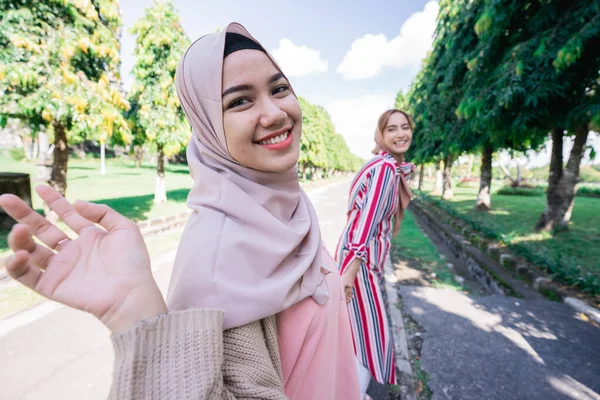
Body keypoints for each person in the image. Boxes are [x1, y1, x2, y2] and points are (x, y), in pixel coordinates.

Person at [0, 23, 360, 400]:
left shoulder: (287, 206)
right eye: (239, 101)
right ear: (207, 129)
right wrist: (134, 311)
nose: (273, 113)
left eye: (279, 89)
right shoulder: (222, 258)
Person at [335, 109, 415, 399]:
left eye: (405, 127)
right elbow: (367, 220)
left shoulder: (384, 165)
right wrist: (353, 267)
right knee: (371, 336)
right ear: (381, 135)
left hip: (362, 260)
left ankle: (351, 391)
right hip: (360, 262)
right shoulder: (384, 169)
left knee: (357, 334)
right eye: (391, 129)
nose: (400, 134)